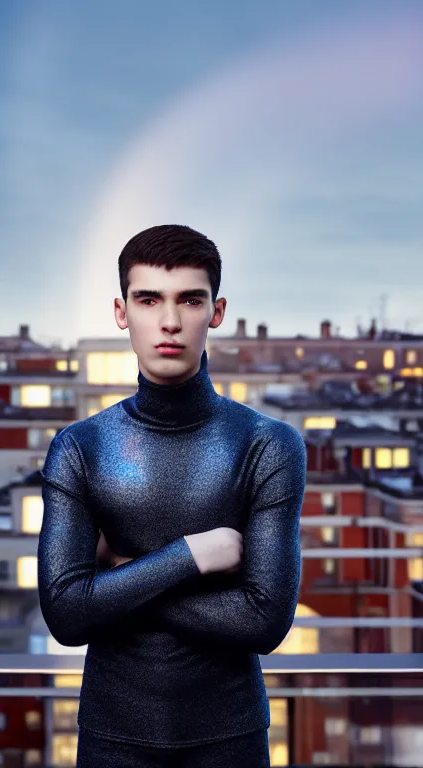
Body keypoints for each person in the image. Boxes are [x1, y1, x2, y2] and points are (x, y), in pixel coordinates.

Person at [37, 224, 307, 767]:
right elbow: (66, 616)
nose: (169, 321)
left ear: (217, 311)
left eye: (189, 299)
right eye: (148, 299)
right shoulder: (79, 448)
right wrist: (192, 556)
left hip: (230, 742)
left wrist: (119, 581)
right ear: (121, 311)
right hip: (111, 742)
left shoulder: (268, 445)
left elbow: (264, 621)